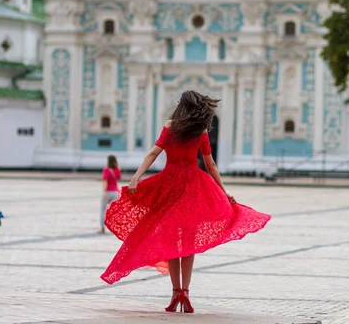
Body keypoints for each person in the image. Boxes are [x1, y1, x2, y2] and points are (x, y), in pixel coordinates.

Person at [100, 90, 271, 313]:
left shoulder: (172, 126)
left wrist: (136, 176)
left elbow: (153, 153)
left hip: (169, 184)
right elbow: (211, 165)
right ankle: (185, 294)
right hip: (193, 184)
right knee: (188, 242)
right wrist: (223, 191)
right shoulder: (199, 130)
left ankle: (175, 293)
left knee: (172, 240)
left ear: (183, 105)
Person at [99, 155, 121, 234]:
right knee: (115, 211)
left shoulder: (106, 170)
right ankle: (115, 229)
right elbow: (117, 179)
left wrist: (104, 191)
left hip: (107, 192)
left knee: (102, 210)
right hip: (115, 192)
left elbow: (105, 181)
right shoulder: (118, 170)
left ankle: (102, 228)